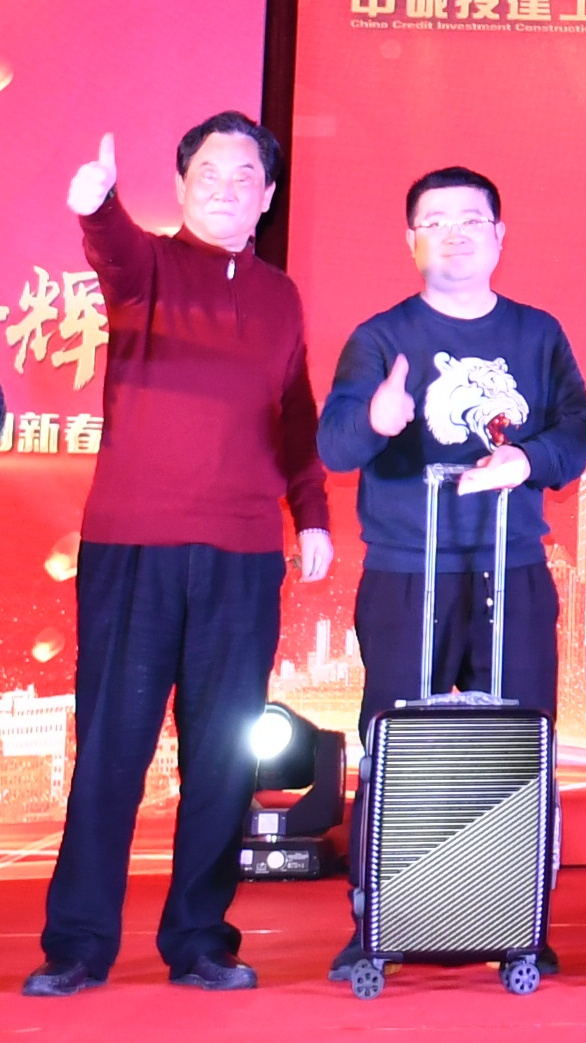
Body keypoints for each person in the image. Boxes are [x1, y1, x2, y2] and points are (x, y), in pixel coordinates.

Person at [27, 118, 332, 997]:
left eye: (245, 176)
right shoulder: (149, 267)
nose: (226, 188)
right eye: (208, 173)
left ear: (266, 196)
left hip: (242, 552)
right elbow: (113, 252)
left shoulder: (281, 297)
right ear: (181, 184)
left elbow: (295, 413)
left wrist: (311, 515)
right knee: (111, 747)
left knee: (224, 757)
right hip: (135, 544)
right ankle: (79, 942)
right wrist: (97, 206)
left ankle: (199, 937)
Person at [316, 166, 586, 981]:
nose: (454, 234)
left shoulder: (537, 333)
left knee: (519, 744)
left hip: (513, 566)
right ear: (411, 241)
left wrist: (526, 459)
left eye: (471, 219)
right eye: (434, 221)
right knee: (396, 745)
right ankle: (379, 918)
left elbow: (576, 432)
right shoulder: (380, 337)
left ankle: (515, 918)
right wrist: (378, 416)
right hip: (408, 571)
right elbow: (335, 444)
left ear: (500, 235)